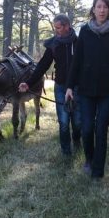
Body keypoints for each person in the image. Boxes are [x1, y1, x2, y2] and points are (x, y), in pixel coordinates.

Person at [65, 0, 109, 180]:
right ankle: (89, 159)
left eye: (105, 7)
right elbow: (77, 60)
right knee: (87, 129)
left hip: (107, 90)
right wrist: (70, 86)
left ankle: (97, 171)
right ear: (93, 10)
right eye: (98, 7)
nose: (102, 10)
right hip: (86, 89)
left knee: (101, 129)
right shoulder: (85, 31)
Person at [19, 14, 81, 156]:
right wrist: (28, 83)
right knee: (63, 122)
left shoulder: (79, 43)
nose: (56, 30)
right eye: (55, 28)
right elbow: (42, 66)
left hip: (77, 87)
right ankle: (66, 152)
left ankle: (77, 140)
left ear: (67, 26)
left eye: (58, 28)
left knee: (78, 122)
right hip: (60, 87)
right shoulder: (53, 44)